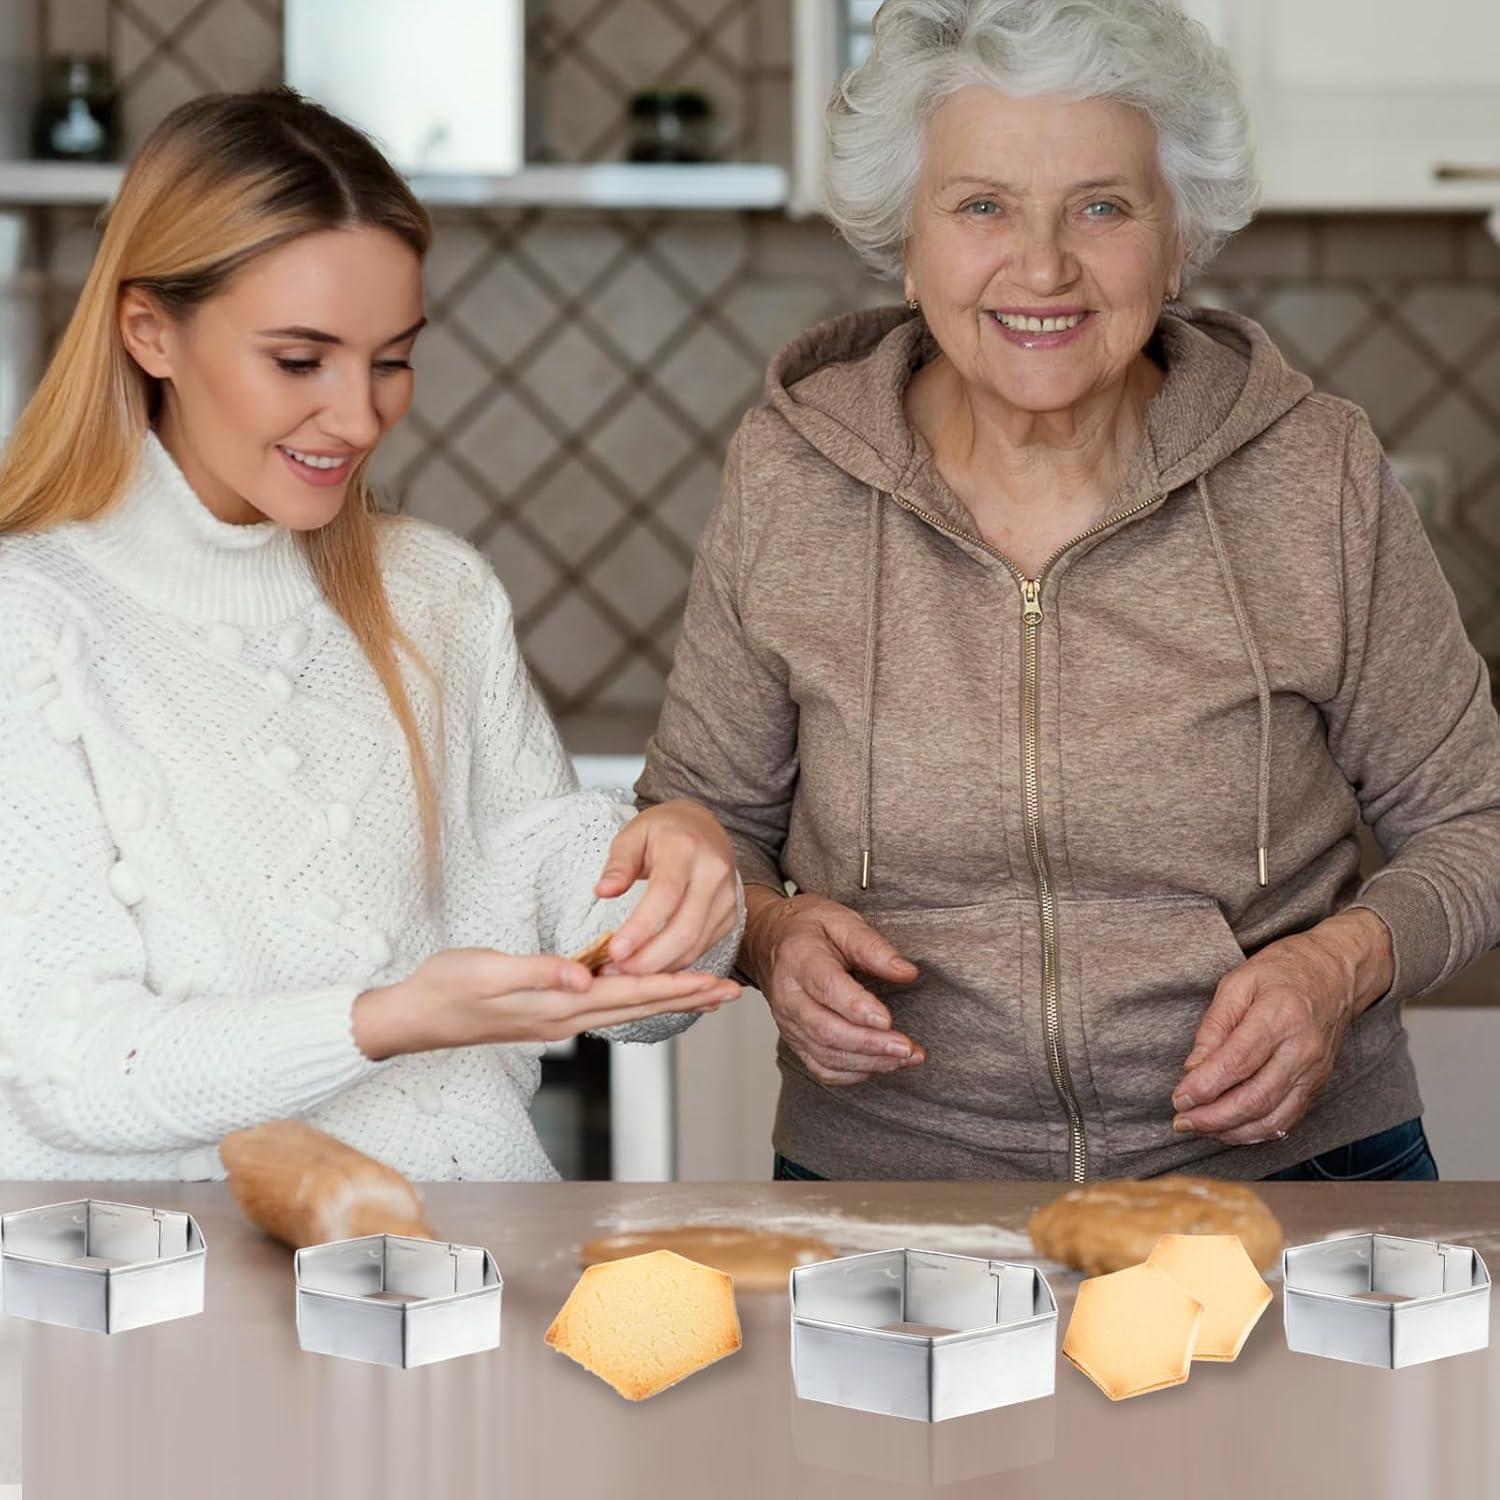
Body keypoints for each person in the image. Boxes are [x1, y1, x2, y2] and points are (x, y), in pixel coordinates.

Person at [634, 0, 1500, 1183]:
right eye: (982, 205)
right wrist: (770, 934)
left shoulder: (1315, 472)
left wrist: (1340, 965)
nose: (1042, 267)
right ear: (908, 238)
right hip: (898, 1192)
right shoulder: (791, 477)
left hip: (1291, 1180)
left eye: (1102, 205)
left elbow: (1476, 822)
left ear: (1178, 232)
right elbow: (700, 827)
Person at [0, 88, 742, 1183]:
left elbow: (571, 909)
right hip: (175, 1317)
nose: (358, 417)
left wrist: (673, 882)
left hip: (468, 1276)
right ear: (149, 329)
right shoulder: (34, 622)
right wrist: (383, 1020)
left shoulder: (434, 591)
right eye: (300, 362)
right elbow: (69, 1068)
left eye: (390, 359)